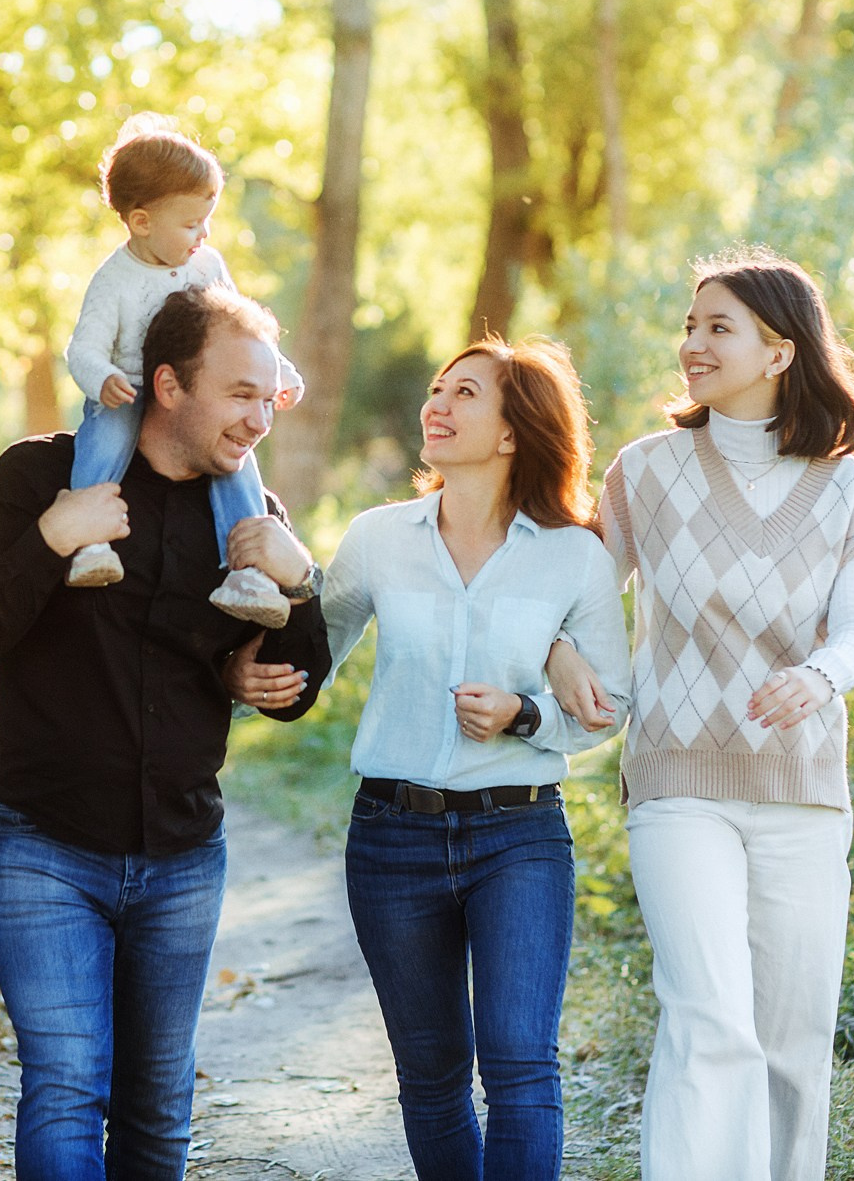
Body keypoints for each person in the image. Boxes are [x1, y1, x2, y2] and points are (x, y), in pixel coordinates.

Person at [0, 284, 333, 1181]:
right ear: (166, 384)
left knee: (158, 1107)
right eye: (240, 392)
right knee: (69, 1084)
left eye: (268, 395)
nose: (259, 416)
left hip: (184, 855)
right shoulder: (42, 475)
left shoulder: (247, 514)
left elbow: (296, 687)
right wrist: (51, 538)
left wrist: (299, 576)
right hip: (44, 844)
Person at [228, 336, 632, 1181]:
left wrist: (525, 714)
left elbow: (607, 711)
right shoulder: (380, 538)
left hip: (519, 836)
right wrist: (248, 662)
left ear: (515, 430)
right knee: (433, 1075)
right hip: (391, 838)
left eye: (465, 393)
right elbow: (312, 656)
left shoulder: (574, 556)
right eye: (435, 390)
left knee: (521, 1063)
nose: (435, 406)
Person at [545, 248, 854, 1181]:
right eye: (691, 324)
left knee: (791, 1040)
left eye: (718, 327)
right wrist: (557, 649)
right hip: (678, 782)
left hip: (802, 791)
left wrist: (817, 677)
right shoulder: (645, 473)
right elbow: (569, 596)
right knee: (710, 1019)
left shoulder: (847, 486)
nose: (692, 343)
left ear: (781, 352)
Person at [62, 114, 303, 627]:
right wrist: (101, 377)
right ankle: (91, 542)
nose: (204, 233)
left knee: (235, 469)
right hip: (127, 390)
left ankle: (249, 573)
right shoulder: (114, 281)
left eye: (207, 219)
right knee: (102, 446)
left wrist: (278, 371)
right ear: (141, 221)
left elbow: (241, 330)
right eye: (191, 223)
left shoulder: (207, 265)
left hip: (194, 399)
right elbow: (82, 349)